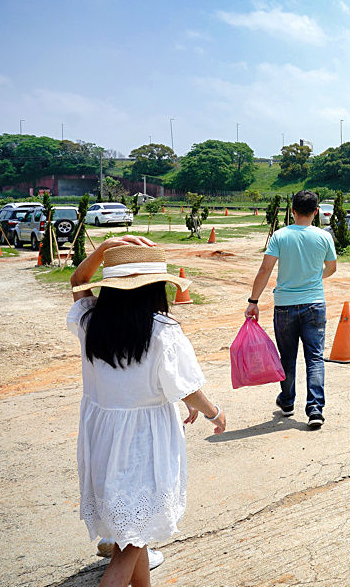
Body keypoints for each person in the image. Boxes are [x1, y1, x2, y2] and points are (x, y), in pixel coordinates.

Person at [69, 237, 225, 587]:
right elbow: (187, 388)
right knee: (131, 544)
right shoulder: (163, 331)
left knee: (133, 535)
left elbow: (78, 281)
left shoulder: (90, 321)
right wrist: (215, 413)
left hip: (103, 439)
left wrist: (103, 248)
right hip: (145, 445)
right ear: (156, 288)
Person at [246, 190, 337, 429]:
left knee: (287, 357)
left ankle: (287, 401)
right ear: (316, 211)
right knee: (315, 358)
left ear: (292, 210)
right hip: (315, 303)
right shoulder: (323, 236)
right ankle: (315, 409)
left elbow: (265, 270)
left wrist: (253, 301)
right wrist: (315, 278)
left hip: (285, 305)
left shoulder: (280, 235)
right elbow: (331, 268)